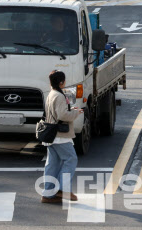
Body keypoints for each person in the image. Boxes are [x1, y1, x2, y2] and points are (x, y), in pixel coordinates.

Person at [41, 70, 83, 204]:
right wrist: (76, 113)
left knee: (52, 164)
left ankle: (48, 194)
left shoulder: (51, 94)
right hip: (60, 135)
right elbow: (62, 115)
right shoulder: (59, 96)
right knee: (70, 159)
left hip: (51, 134)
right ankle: (62, 190)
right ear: (61, 82)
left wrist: (72, 111)